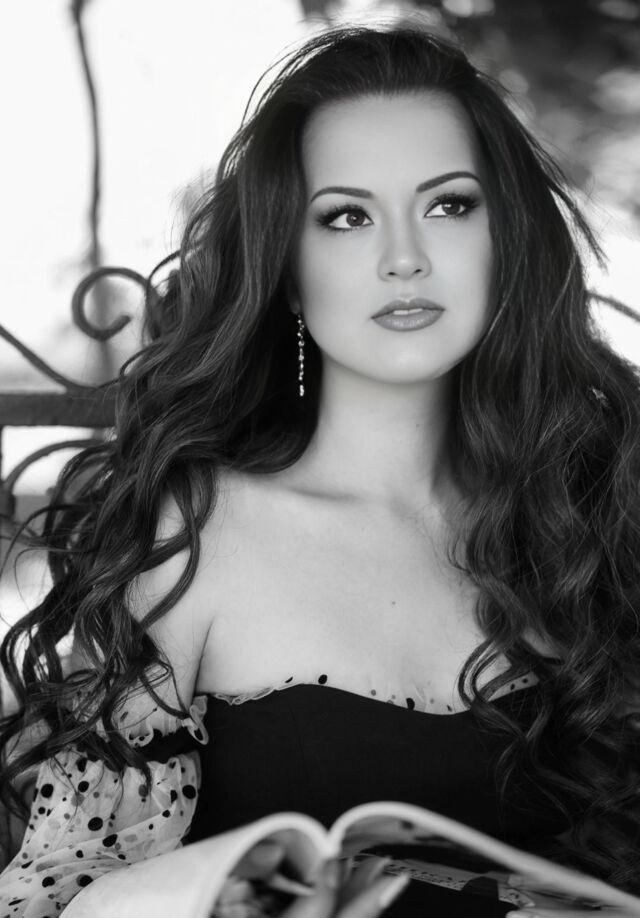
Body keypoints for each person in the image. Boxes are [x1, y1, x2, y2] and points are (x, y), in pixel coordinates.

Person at [1, 20, 639, 918]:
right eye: (347, 217)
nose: (404, 256)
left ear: (508, 241)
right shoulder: (196, 533)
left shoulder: (592, 512)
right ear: (291, 273)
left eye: (450, 205)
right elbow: (60, 893)